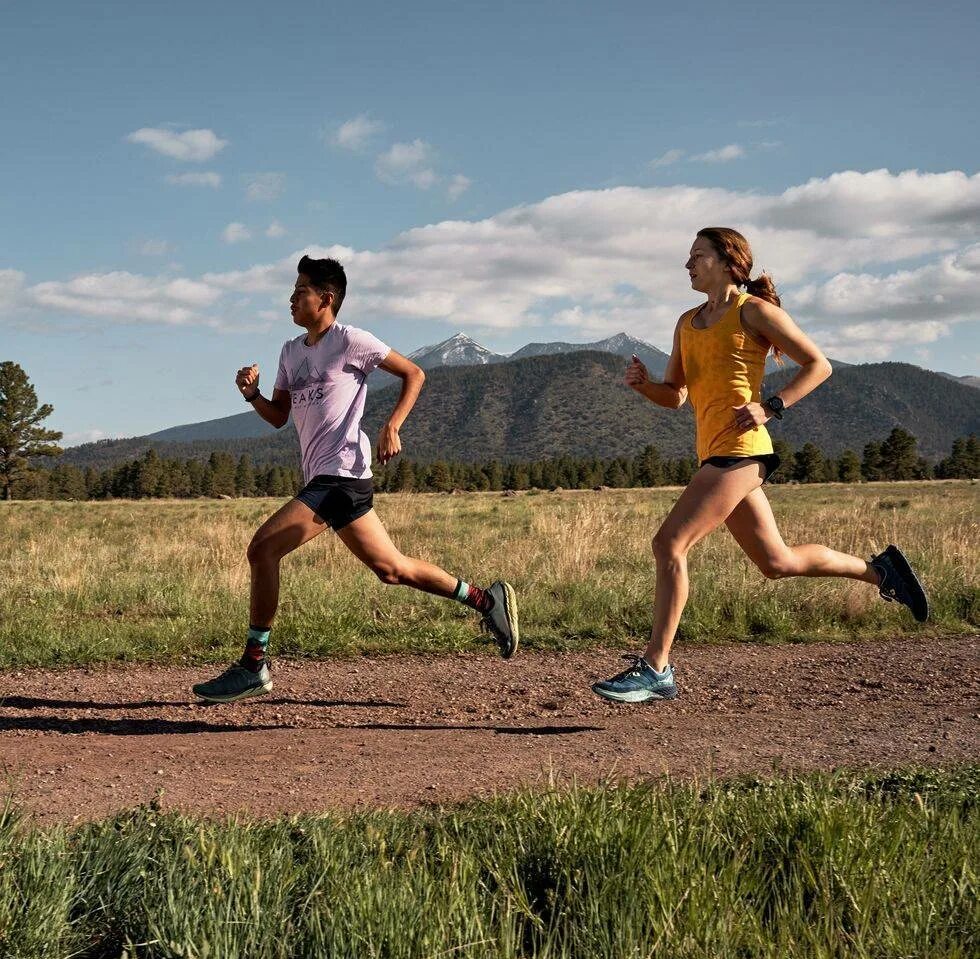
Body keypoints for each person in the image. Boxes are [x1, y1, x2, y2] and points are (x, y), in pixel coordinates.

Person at [592, 227, 928, 704]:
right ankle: (881, 572)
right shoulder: (686, 322)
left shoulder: (754, 311)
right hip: (714, 452)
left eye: (698, 256)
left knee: (669, 542)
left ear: (730, 262)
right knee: (777, 562)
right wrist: (644, 385)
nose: (688, 265)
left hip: (744, 449)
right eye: (688, 258)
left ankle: (656, 667)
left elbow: (818, 364)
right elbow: (676, 395)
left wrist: (772, 405)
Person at [193, 255, 518, 702]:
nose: (291, 297)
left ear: (326, 299)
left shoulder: (351, 341)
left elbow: (414, 373)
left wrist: (393, 425)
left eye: (300, 290)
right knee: (392, 569)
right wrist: (252, 395)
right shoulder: (290, 352)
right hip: (329, 479)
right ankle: (487, 601)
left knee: (263, 548)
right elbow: (278, 417)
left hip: (341, 476)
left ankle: (254, 664)